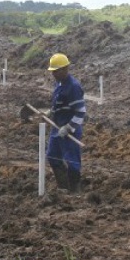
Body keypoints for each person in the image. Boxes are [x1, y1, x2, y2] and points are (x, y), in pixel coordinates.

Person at [46, 53, 86, 192]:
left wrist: (69, 127)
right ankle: (63, 187)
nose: (54, 74)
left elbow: (81, 112)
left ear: (65, 69)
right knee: (52, 155)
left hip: (70, 131)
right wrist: (51, 111)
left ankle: (75, 190)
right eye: (53, 72)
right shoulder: (59, 83)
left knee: (72, 161)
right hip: (57, 127)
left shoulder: (73, 87)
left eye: (56, 71)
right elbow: (58, 103)